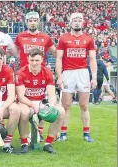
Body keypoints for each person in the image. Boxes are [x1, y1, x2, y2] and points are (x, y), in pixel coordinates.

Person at [56, 13, 97, 142]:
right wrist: (59, 76)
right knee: (66, 105)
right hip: (68, 73)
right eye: (75, 20)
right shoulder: (63, 38)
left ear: (83, 22)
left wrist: (94, 77)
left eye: (79, 20)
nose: (77, 22)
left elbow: (92, 58)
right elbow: (59, 58)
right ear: (70, 22)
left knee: (84, 105)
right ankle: (63, 133)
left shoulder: (88, 39)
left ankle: (86, 133)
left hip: (83, 73)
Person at [17, 48, 65, 154]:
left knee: (60, 111)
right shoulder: (21, 72)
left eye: (37, 60)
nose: (34, 63)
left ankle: (48, 143)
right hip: (26, 102)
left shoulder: (47, 72)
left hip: (41, 102)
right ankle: (24, 143)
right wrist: (33, 106)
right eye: (32, 60)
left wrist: (51, 106)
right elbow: (20, 97)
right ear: (28, 59)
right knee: (25, 113)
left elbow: (51, 94)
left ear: (42, 60)